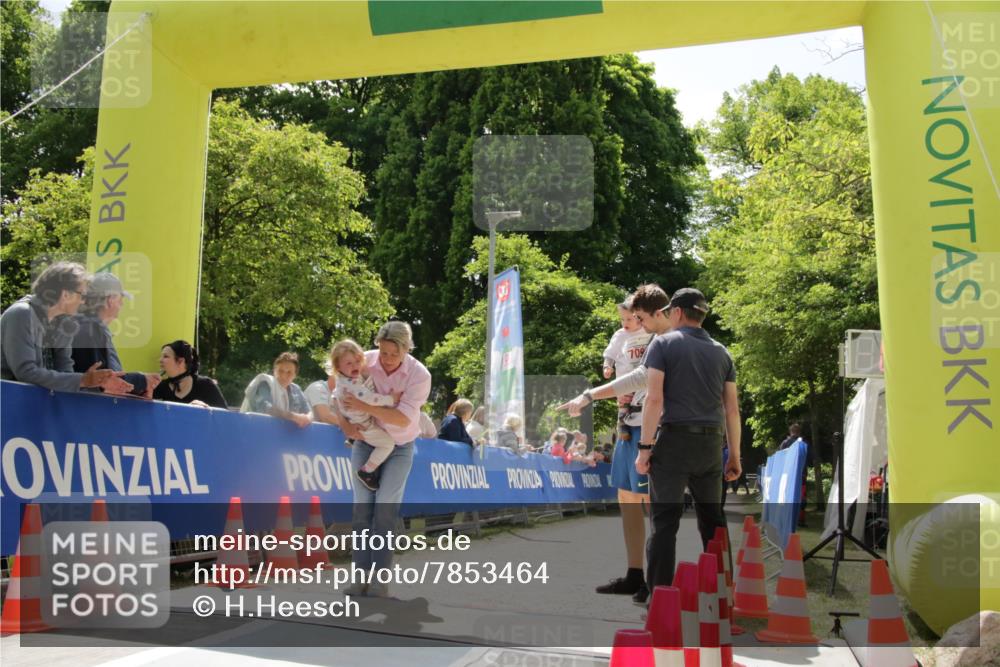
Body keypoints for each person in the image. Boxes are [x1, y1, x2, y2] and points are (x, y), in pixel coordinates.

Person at [557, 283, 672, 605]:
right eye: (629, 317)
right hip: (626, 423)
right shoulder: (621, 339)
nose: (632, 322)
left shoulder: (662, 338)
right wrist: (596, 393)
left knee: (651, 499)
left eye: (637, 317)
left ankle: (656, 577)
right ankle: (634, 572)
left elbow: (647, 379)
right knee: (626, 497)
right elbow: (621, 372)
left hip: (651, 425)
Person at [636, 288, 742, 591]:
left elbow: (653, 399)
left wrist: (644, 448)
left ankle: (659, 598)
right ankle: (723, 596)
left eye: (670, 312)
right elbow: (731, 410)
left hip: (674, 442)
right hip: (710, 445)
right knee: (713, 522)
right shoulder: (723, 352)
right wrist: (734, 455)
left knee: (664, 522)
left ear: (678, 312)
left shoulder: (664, 344)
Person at [336, 321, 430, 598]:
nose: (386, 359)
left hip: (400, 445)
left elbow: (402, 417)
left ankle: (379, 579)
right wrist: (345, 424)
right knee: (362, 510)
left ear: (406, 349)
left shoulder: (419, 375)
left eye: (393, 354)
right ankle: (359, 576)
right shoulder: (365, 360)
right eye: (383, 351)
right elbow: (337, 391)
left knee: (385, 511)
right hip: (366, 441)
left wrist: (364, 406)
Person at [1, 261, 132, 394]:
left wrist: (97, 384)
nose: (83, 301)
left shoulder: (66, 323)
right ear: (65, 295)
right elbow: (26, 373)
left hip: (35, 403)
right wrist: (83, 380)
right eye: (82, 295)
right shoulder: (22, 314)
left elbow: (65, 370)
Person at [71, 272, 160, 398]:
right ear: (110, 300)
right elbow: (100, 382)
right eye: (120, 299)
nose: (122, 304)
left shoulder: (88, 327)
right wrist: (143, 381)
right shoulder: (90, 330)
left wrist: (141, 385)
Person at [330, 339, 401, 491]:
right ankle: (367, 471)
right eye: (348, 363)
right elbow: (370, 399)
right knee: (388, 444)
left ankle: (352, 440)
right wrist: (391, 399)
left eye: (357, 361)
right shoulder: (352, 385)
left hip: (356, 419)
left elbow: (334, 394)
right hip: (363, 426)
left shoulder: (343, 379)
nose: (355, 366)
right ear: (338, 367)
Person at [241, 351, 312, 428]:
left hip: (283, 435)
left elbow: (309, 412)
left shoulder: (296, 389)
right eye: (280, 371)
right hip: (252, 429)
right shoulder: (265, 383)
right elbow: (266, 408)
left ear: (295, 375)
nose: (284, 375)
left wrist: (308, 418)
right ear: (274, 371)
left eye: (289, 372)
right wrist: (294, 416)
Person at [152, 340, 228, 408]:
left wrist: (207, 410)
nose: (160, 360)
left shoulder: (206, 385)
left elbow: (225, 418)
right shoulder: (160, 387)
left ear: (181, 361)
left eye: (165, 356)